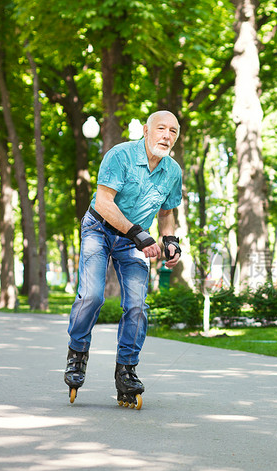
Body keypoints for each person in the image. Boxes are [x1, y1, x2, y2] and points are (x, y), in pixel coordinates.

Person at [64, 110, 183, 408]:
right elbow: (104, 203)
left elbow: (167, 212)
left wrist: (170, 241)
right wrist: (138, 234)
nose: (166, 136)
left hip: (134, 240)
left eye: (173, 131)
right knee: (91, 296)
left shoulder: (173, 171)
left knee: (137, 305)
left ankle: (126, 370)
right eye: (161, 129)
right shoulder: (120, 156)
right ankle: (77, 353)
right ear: (146, 130)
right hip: (99, 229)